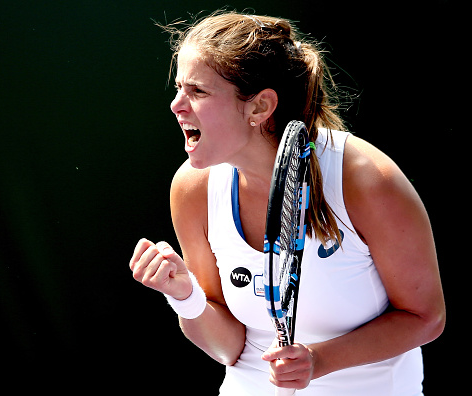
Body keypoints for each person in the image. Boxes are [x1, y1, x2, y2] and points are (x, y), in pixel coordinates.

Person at [129, 11, 445, 396]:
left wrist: (319, 361)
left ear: (260, 107)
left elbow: (426, 317)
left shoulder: (366, 180)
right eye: (179, 88)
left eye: (198, 91)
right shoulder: (192, 188)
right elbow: (229, 348)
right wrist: (186, 297)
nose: (177, 105)